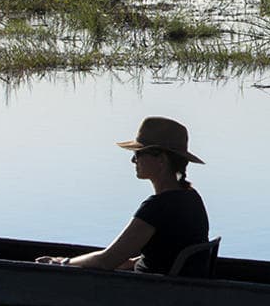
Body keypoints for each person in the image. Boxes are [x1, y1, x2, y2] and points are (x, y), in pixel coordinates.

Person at [37, 116, 209, 272]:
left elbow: (106, 261)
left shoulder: (158, 207)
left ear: (161, 160)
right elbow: (160, 255)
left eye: (138, 153)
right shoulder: (191, 197)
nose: (133, 160)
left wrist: (62, 263)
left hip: (147, 291)